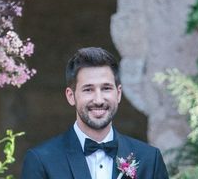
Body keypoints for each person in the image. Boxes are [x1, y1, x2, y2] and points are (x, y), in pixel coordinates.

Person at [21, 47, 169, 179]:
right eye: (88, 89)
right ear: (71, 96)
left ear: (118, 94)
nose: (98, 100)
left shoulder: (150, 159)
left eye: (106, 88)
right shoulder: (41, 161)